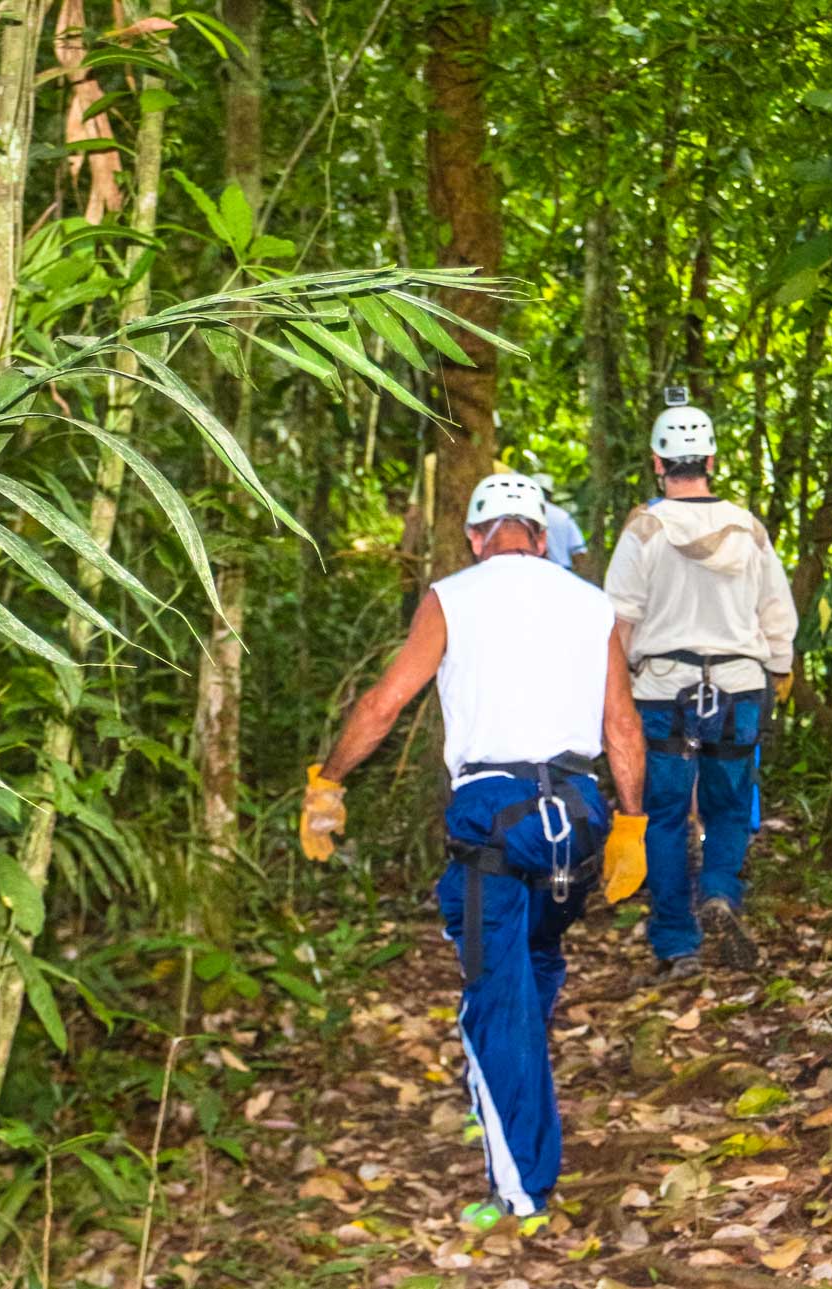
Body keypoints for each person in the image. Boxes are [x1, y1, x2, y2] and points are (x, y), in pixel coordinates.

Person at [297, 472, 648, 1226]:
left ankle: (522, 1183)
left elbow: (383, 703)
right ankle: (515, 1083)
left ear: (475, 536)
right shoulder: (591, 605)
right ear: (542, 532)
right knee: (538, 956)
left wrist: (328, 780)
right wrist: (630, 825)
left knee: (494, 996)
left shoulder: (452, 596)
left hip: (494, 815)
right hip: (576, 817)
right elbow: (622, 727)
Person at [604, 402, 797, 979]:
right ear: (711, 460)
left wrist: (613, 689)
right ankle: (718, 892)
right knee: (729, 807)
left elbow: (618, 622)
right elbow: (777, 617)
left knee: (664, 817)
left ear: (658, 463)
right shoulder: (749, 529)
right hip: (738, 687)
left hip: (664, 691)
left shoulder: (644, 530)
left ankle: (676, 944)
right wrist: (778, 675)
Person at [531, 472, 590, 573]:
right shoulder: (563, 516)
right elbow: (580, 553)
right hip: (563, 572)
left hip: (534, 572)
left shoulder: (524, 516)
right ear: (551, 494)